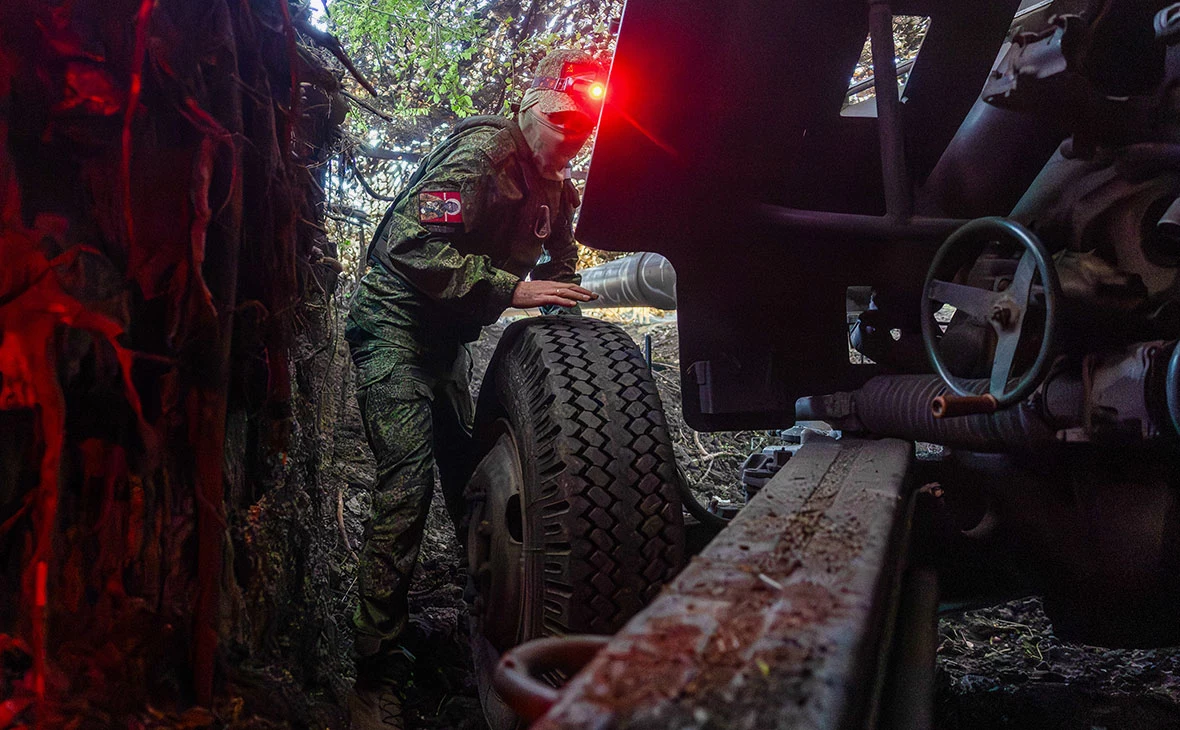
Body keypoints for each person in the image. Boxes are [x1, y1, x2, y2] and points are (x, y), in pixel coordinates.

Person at [344, 49, 605, 729]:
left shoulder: (555, 187)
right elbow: (407, 247)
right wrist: (510, 289)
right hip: (395, 323)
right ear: (530, 108)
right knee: (406, 488)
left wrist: (563, 318)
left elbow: (562, 264)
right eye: (562, 123)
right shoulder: (484, 155)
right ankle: (374, 671)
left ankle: (477, 619)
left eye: (584, 129)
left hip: (446, 339)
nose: (571, 138)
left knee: (468, 475)